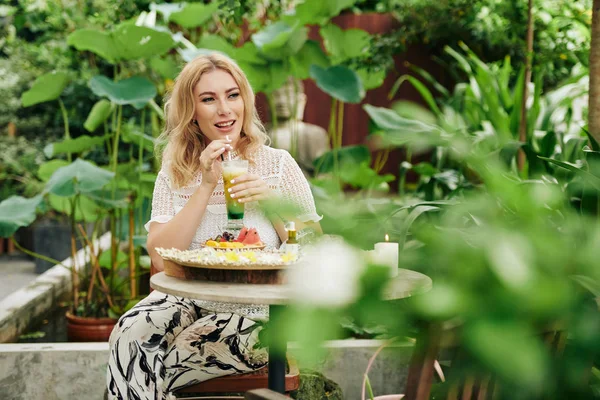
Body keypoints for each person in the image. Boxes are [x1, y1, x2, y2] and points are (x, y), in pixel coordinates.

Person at [106, 53, 321, 400]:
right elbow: (161, 260)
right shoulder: (175, 171)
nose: (224, 109)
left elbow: (314, 248)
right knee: (129, 333)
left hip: (257, 311)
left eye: (232, 95)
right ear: (192, 111)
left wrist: (272, 203)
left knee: (149, 363)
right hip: (185, 299)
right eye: (208, 99)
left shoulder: (277, 165)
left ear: (245, 101)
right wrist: (205, 185)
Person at [267, 78, 330, 175]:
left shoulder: (314, 134)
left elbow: (325, 175)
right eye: (276, 95)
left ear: (301, 100)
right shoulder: (259, 133)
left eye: (288, 95)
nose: (281, 101)